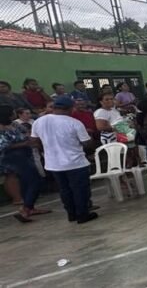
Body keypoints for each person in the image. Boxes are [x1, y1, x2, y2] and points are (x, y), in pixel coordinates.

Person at [30, 96, 97, 224]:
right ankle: (82, 214)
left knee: (64, 189)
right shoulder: (74, 123)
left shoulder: (39, 121)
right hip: (75, 162)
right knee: (80, 189)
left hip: (53, 163)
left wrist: (46, 149)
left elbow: (33, 141)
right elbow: (87, 144)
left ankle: (71, 214)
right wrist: (90, 137)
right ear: (71, 108)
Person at [0, 105, 47, 223]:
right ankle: (26, 208)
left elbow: (26, 133)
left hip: (25, 155)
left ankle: (30, 207)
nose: (14, 114)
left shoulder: (15, 124)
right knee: (34, 180)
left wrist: (30, 138)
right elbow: (4, 146)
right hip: (13, 158)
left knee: (27, 182)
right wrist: (24, 144)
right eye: (12, 112)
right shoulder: (1, 129)